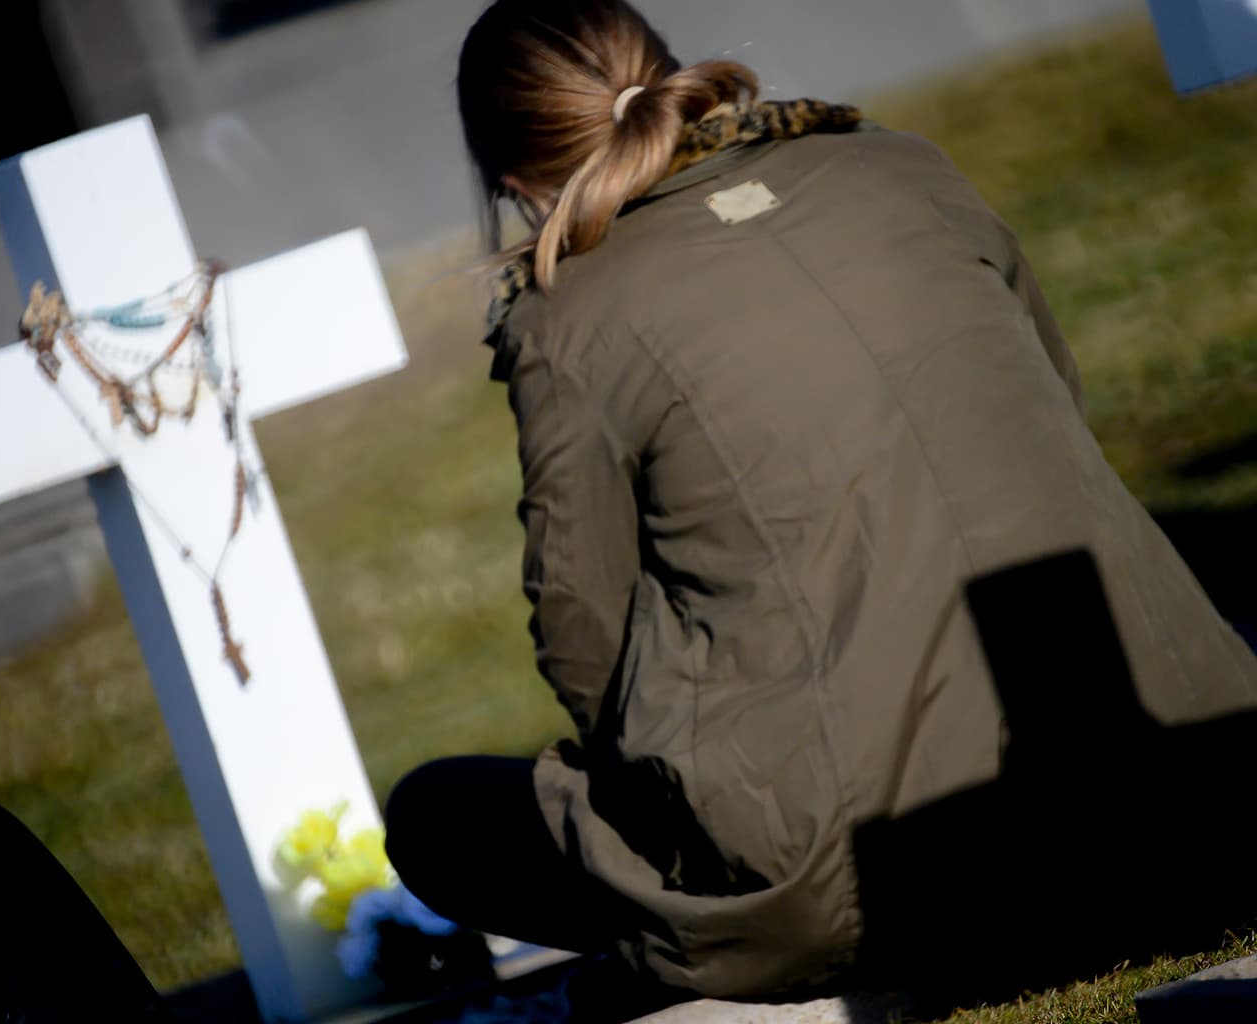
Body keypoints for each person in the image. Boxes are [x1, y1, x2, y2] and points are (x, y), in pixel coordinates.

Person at [385, 0, 1257, 1009]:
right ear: (669, 72)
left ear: (510, 179)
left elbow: (584, 636)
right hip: (1196, 797)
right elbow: (1055, 401)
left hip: (890, 888)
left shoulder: (565, 319)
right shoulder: (899, 163)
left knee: (434, 814)